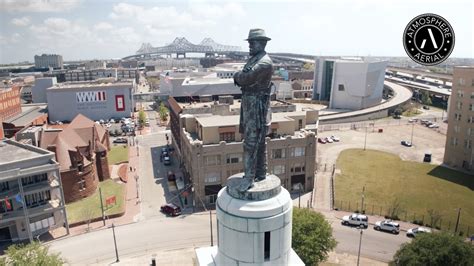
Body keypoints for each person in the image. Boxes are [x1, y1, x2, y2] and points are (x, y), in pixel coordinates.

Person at [233, 29, 273, 191]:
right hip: (250, 103)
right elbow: (244, 78)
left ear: (262, 43)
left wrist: (237, 76)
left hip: (256, 106)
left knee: (251, 142)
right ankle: (260, 173)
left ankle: (249, 178)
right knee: (258, 140)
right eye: (249, 42)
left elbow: (244, 78)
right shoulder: (255, 59)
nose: (249, 45)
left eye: (252, 42)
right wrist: (241, 77)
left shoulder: (264, 63)